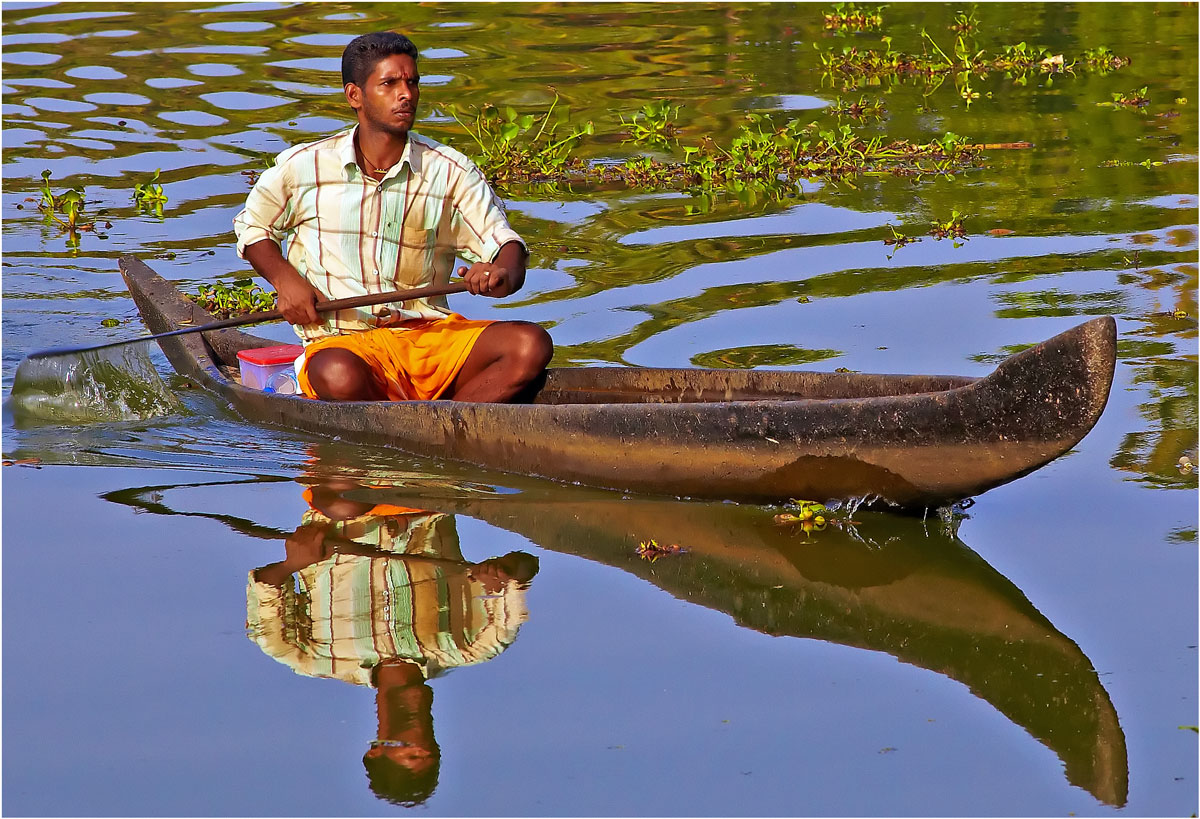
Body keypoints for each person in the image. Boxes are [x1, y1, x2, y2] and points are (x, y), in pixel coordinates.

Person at [233, 31, 552, 403]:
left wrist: (500, 273)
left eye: (412, 82)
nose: (406, 94)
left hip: (427, 339)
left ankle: (450, 426)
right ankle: (435, 429)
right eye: (390, 83)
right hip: (340, 344)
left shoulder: (450, 171)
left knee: (530, 344)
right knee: (337, 374)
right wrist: (285, 280)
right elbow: (253, 227)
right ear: (355, 95)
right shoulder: (305, 166)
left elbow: (505, 244)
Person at [247, 477, 539, 805]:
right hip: (427, 494)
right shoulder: (474, 646)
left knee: (345, 506)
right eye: (430, 750)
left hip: (341, 499)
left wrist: (293, 563)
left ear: (376, 748)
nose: (420, 741)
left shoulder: (305, 655)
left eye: (407, 751)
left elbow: (265, 595)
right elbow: (527, 565)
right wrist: (502, 572)